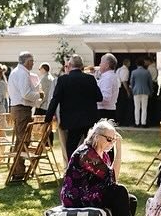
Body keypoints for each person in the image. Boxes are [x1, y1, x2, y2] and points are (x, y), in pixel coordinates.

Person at [60, 119, 139, 216]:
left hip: (92, 191)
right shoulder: (86, 154)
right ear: (96, 137)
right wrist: (118, 151)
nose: (112, 143)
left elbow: (112, 181)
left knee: (131, 200)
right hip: (76, 196)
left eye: (114, 139)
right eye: (109, 139)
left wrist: (117, 150)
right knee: (119, 192)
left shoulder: (103, 154)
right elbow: (112, 179)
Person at [44, 53, 102, 161]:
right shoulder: (90, 79)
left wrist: (48, 118)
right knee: (91, 146)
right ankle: (89, 170)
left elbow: (55, 99)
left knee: (71, 147)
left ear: (70, 65)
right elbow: (99, 97)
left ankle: (73, 171)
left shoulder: (63, 80)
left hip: (71, 120)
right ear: (81, 66)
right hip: (89, 119)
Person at [7, 51, 43, 180]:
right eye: (32, 61)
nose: (33, 63)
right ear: (27, 62)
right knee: (23, 140)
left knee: (21, 139)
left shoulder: (18, 72)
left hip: (20, 108)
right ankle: (17, 172)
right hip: (21, 109)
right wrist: (40, 95)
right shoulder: (22, 73)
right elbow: (26, 93)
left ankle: (18, 170)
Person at [96, 53, 120, 121]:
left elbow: (106, 98)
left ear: (107, 65)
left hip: (105, 112)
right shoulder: (109, 76)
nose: (99, 65)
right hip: (107, 111)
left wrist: (93, 100)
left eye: (101, 62)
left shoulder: (108, 78)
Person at [130, 59, 153, 128]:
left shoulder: (134, 72)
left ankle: (136, 123)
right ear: (143, 64)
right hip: (145, 91)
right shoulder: (147, 72)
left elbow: (131, 82)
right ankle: (143, 123)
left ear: (137, 64)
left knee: (136, 108)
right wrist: (151, 91)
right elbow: (150, 83)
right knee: (144, 108)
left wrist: (132, 90)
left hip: (136, 91)